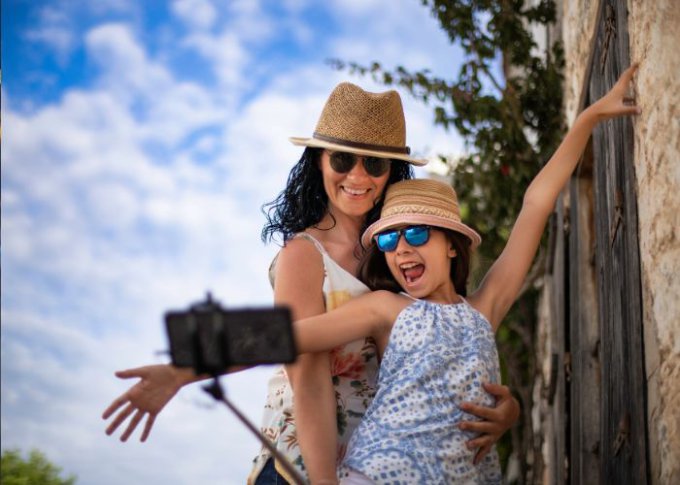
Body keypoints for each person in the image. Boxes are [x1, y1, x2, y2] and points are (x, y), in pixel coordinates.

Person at [102, 82, 520, 483]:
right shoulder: (304, 255)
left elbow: (442, 352)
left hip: (375, 467)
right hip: (301, 466)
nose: (357, 176)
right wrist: (181, 371)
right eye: (342, 159)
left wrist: (505, 412)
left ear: (390, 171)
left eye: (373, 163)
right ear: (318, 161)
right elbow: (307, 368)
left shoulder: (398, 251)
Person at [280, 64, 641, 484]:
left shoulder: (482, 311)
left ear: (452, 244)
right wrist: (198, 355)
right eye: (388, 240)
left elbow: (537, 204)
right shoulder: (386, 308)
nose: (401, 248)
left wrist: (586, 120)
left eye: (416, 232)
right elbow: (292, 339)